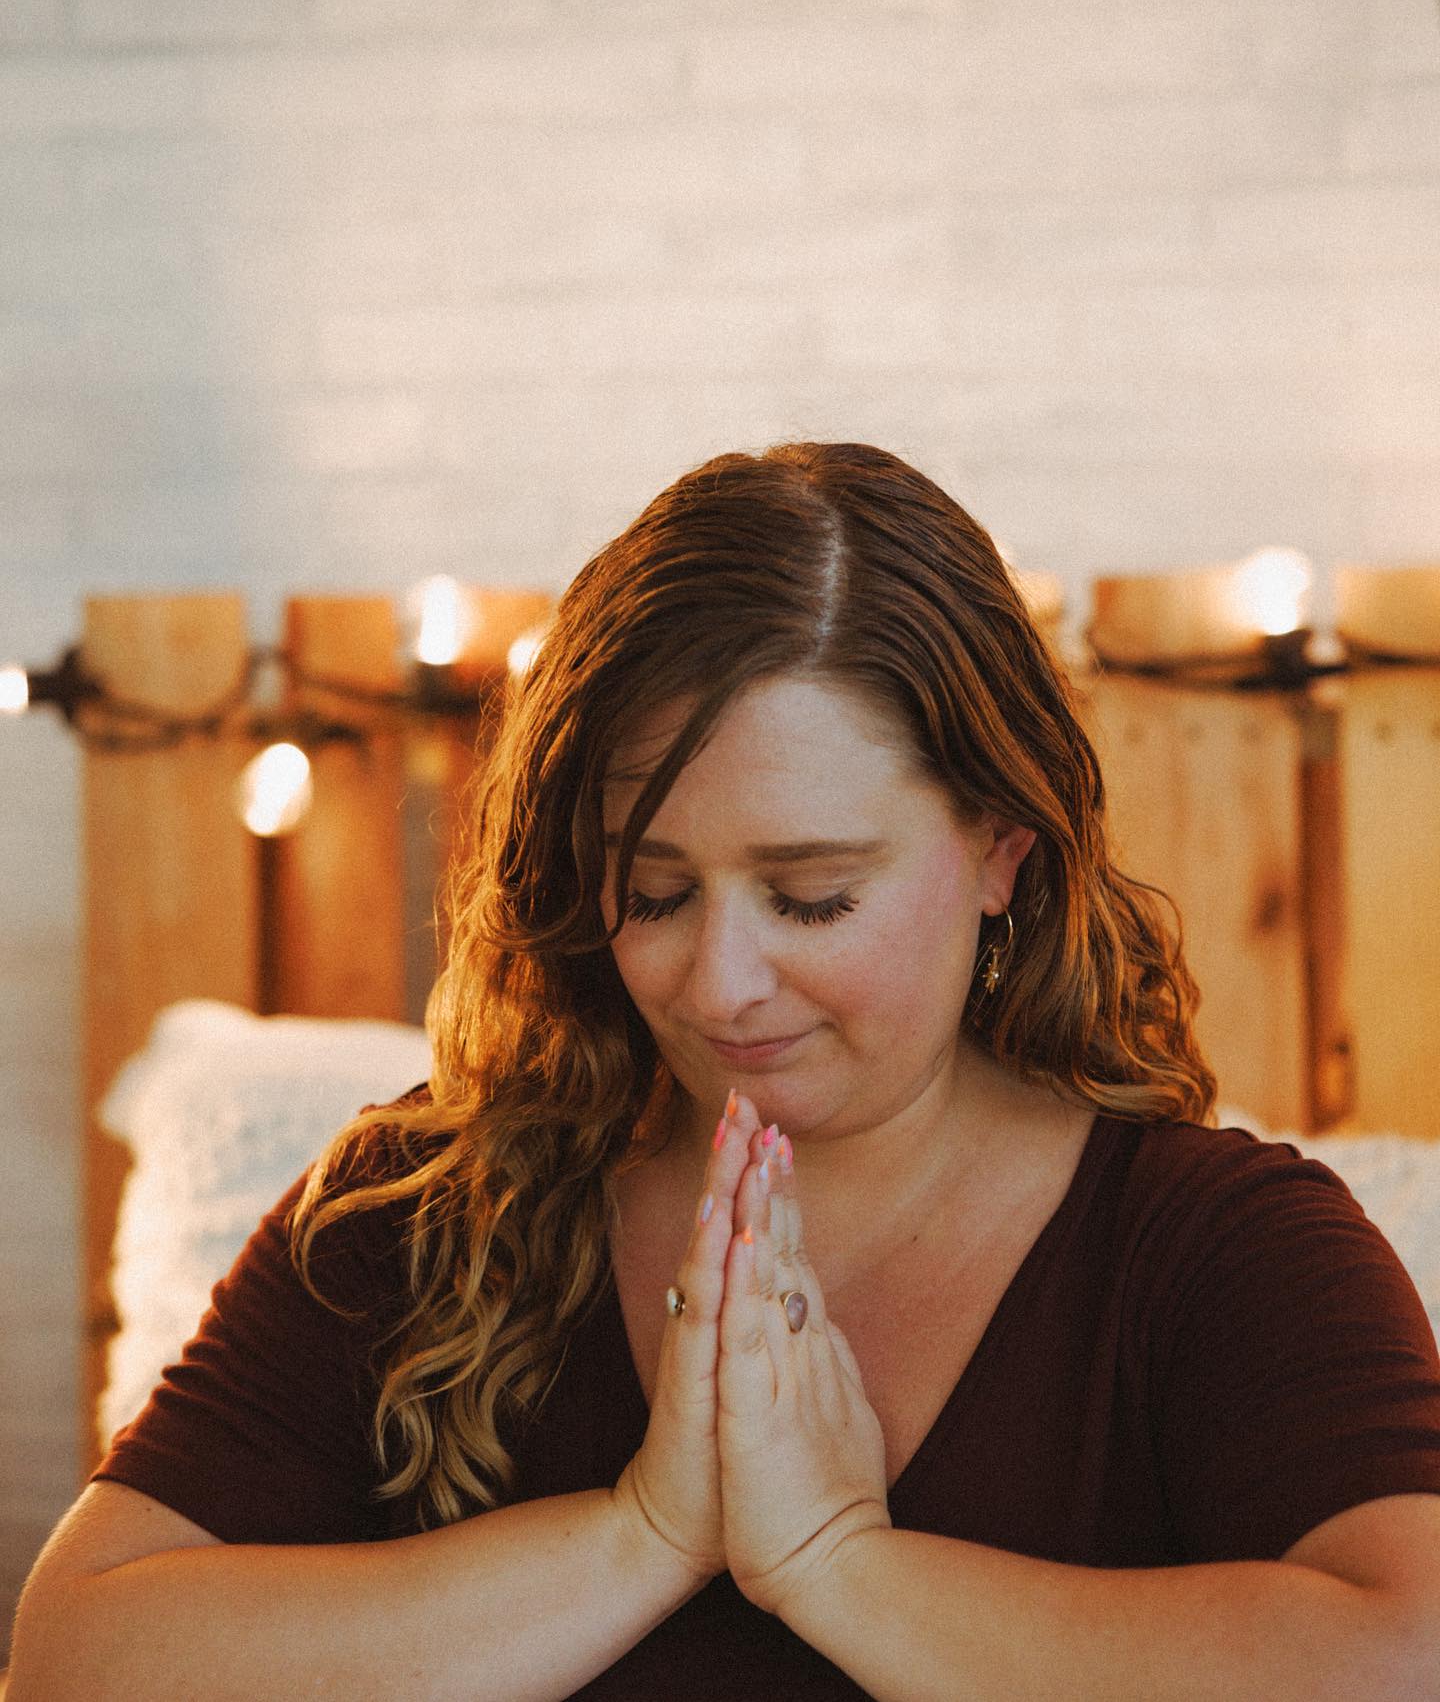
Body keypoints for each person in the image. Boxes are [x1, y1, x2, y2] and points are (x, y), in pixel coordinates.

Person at [10, 440, 1440, 1700]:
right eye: (655, 892)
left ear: (1003, 852)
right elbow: (76, 1663)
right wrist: (639, 1534)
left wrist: (837, 1565)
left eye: (812, 896)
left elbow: (1404, 1662)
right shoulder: (419, 1209)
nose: (719, 984)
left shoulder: (1216, 1249)